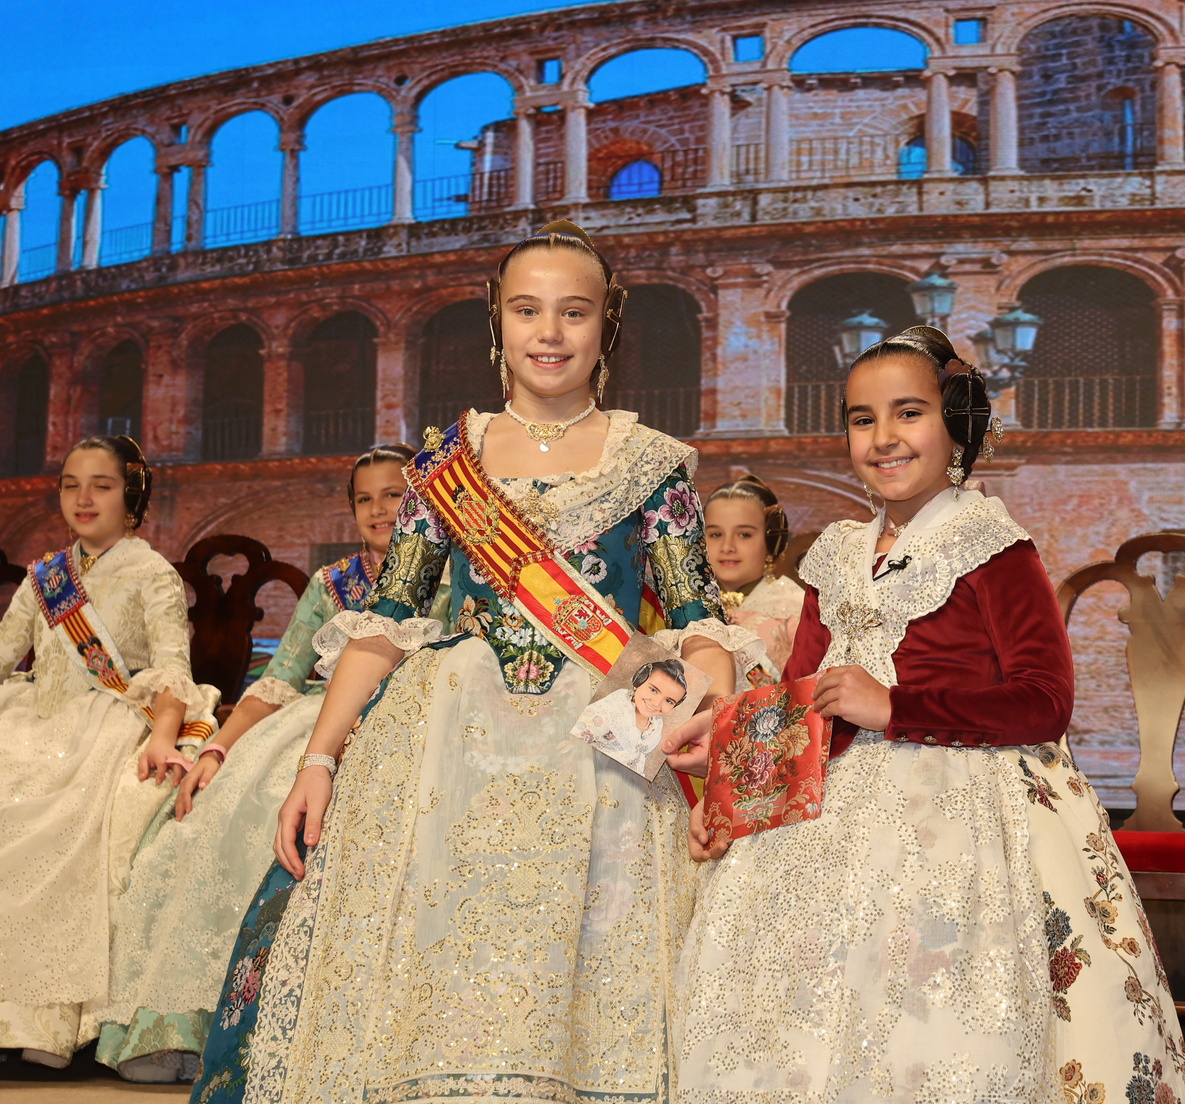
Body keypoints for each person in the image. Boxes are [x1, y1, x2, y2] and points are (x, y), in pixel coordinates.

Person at [196, 221, 744, 1104]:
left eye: (574, 312)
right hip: (448, 741)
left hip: (602, 747)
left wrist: (709, 721)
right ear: (498, 322)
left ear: (607, 325)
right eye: (527, 310)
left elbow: (697, 623)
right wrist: (319, 761)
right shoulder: (446, 464)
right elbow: (386, 625)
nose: (550, 332)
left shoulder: (653, 464)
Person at [663, 326, 1185, 1103]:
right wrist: (727, 775)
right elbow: (800, 703)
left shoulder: (993, 545)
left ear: (954, 423)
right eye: (863, 419)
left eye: (907, 413)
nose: (883, 437)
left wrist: (896, 707)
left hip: (964, 810)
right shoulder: (833, 554)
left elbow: (1045, 701)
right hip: (827, 811)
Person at [98, 445, 443, 1083]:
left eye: (394, 495)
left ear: (423, 500)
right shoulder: (332, 584)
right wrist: (218, 749)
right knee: (226, 810)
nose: (378, 509)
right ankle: (191, 1024)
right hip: (314, 720)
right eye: (364, 498)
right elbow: (278, 680)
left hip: (417, 720)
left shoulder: (455, 575)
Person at [0, 436, 220, 1068]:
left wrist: (162, 734)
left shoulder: (151, 573)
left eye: (101, 485)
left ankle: (44, 1024)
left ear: (132, 496)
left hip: (109, 721)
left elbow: (173, 669)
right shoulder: (45, 578)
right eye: (71, 484)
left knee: (57, 819)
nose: (84, 498)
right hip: (33, 718)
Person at [705, 474, 804, 682]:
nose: (727, 547)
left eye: (744, 535)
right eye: (715, 534)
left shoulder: (796, 609)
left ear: (771, 540)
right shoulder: (685, 606)